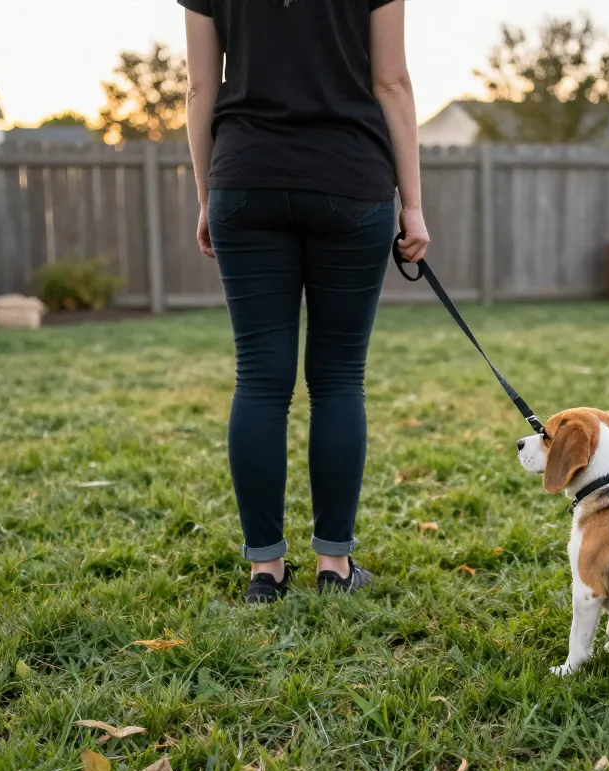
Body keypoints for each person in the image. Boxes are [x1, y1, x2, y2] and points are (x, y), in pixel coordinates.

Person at [181, 0, 429, 604]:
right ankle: (333, 566)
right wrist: (414, 204)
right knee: (339, 378)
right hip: (349, 180)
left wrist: (206, 195)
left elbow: (196, 89)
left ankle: (264, 572)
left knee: (261, 380)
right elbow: (390, 82)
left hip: (246, 178)